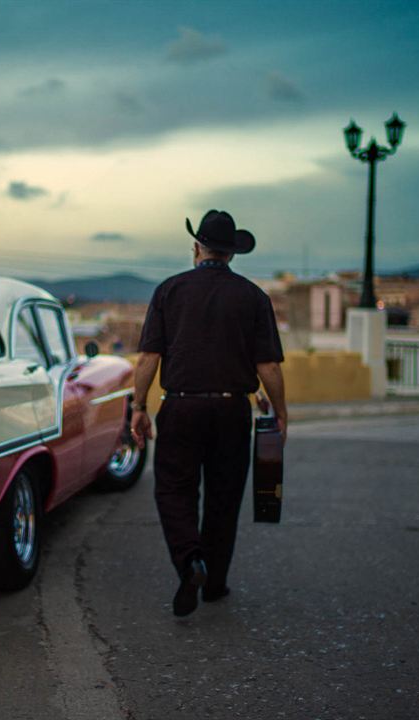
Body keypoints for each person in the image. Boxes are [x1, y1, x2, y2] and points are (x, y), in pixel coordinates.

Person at [130, 209, 288, 617]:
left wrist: (138, 407)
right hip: (231, 409)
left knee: (174, 490)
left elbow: (149, 356)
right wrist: (281, 413)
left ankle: (189, 561)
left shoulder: (169, 290)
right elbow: (268, 365)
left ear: (196, 248)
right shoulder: (254, 297)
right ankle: (214, 583)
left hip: (180, 406)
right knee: (224, 496)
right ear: (232, 254)